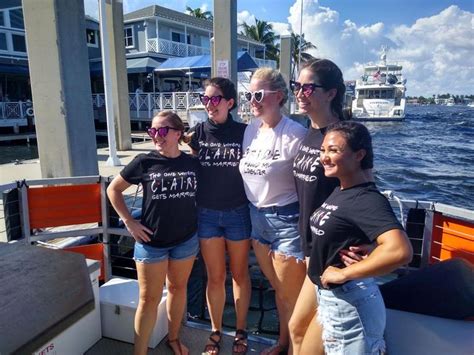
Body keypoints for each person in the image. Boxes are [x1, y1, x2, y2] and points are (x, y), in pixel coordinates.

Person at [289, 58, 371, 355]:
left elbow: (365, 192)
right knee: (298, 329)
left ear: (331, 93)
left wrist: (368, 244)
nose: (299, 92)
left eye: (308, 87)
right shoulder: (308, 133)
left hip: (335, 251)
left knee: (309, 335)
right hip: (310, 248)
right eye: (296, 86)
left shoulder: (345, 135)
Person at [309, 121, 413, 354]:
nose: (324, 157)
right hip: (331, 300)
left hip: (351, 304)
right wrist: (373, 248)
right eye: (323, 150)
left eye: (333, 150)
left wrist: (344, 272)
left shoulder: (366, 199)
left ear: (359, 155)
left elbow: (400, 251)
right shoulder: (342, 189)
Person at [107, 111, 200, 355]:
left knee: (179, 290)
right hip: (152, 242)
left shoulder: (192, 162)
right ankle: (140, 352)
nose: (156, 136)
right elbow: (113, 190)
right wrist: (129, 222)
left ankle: (174, 338)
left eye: (162, 130)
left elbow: (200, 148)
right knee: (148, 300)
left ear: (177, 133)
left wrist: (189, 140)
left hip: (186, 240)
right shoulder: (144, 161)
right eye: (152, 131)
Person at [239, 67, 307, 355]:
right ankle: (283, 342)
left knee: (292, 296)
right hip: (257, 220)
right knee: (279, 292)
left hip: (286, 221)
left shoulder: (296, 134)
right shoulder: (251, 130)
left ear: (278, 96)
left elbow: (311, 185)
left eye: (258, 94)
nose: (252, 100)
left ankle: (295, 348)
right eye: (248, 95)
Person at [188, 77, 251, 355]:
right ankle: (215, 331)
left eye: (215, 99)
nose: (209, 104)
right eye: (205, 99)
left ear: (230, 103)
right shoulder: (198, 133)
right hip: (207, 214)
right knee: (215, 277)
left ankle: (240, 330)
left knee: (239, 275)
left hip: (238, 212)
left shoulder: (245, 132)